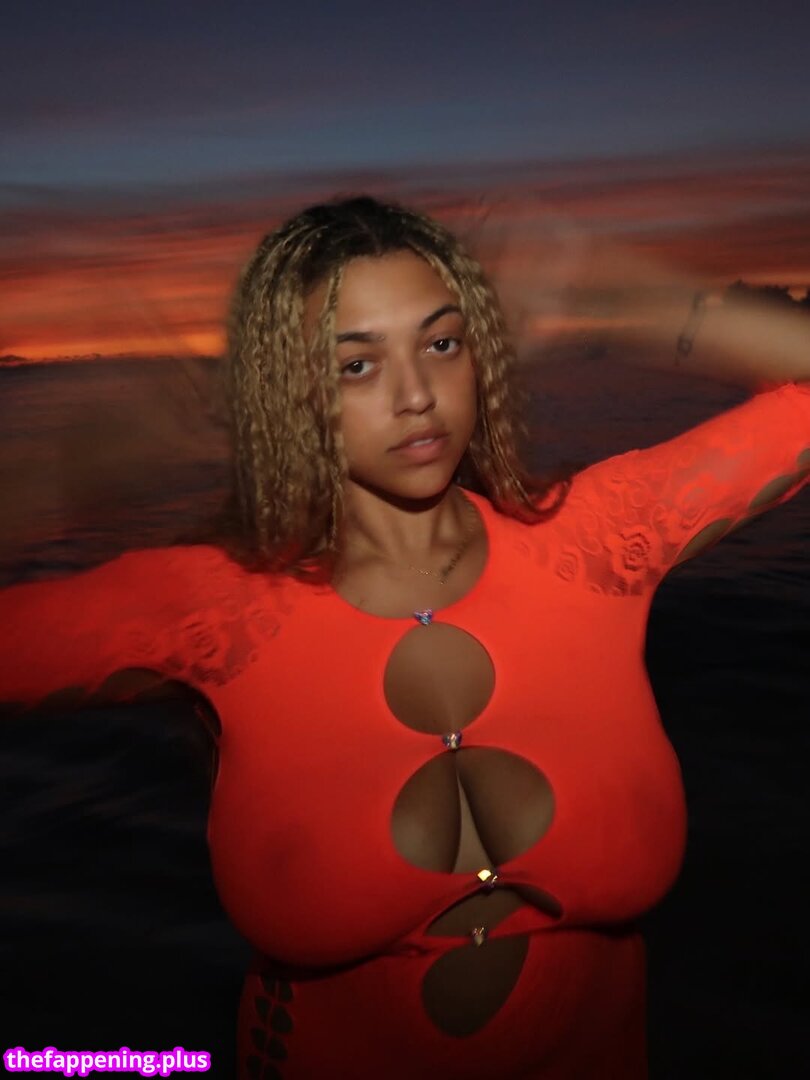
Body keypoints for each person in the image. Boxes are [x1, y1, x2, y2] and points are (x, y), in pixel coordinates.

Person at [1, 195, 809, 1079]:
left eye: (442, 343)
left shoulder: (601, 540)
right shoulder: (213, 612)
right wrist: (63, 476)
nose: (417, 395)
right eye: (356, 365)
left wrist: (632, 302)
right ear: (289, 392)